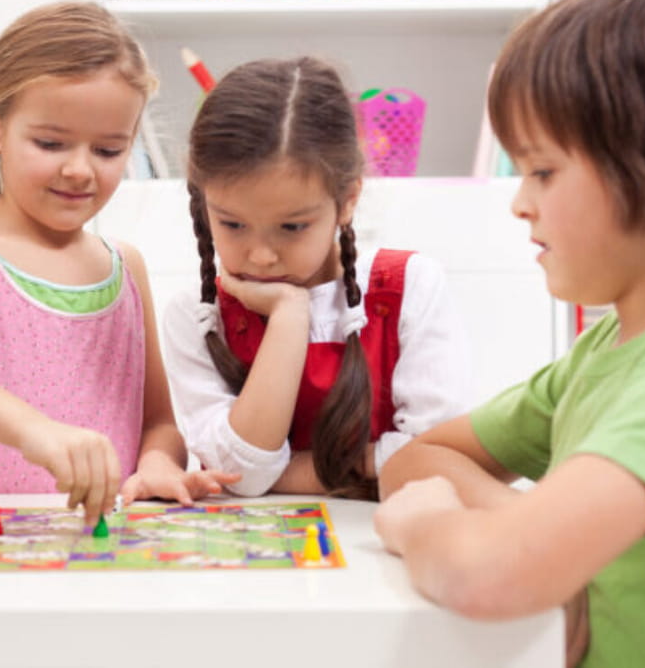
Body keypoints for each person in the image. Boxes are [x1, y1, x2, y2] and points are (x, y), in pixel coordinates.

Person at [374, 0, 645, 668]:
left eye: (541, 171)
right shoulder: (607, 349)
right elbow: (415, 459)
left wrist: (430, 525)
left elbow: (487, 575)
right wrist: (534, 538)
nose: (519, 203)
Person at [0, 1, 237, 523]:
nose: (80, 169)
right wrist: (35, 432)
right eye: (51, 143)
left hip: (105, 547)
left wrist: (158, 463)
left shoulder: (125, 267)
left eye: (108, 151)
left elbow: (158, 423)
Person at [161, 55, 474, 500]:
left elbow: (437, 456)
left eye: (292, 227)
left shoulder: (410, 287)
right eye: (232, 224)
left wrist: (288, 473)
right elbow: (242, 476)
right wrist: (290, 315)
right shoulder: (197, 314)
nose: (261, 255)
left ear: (348, 200)